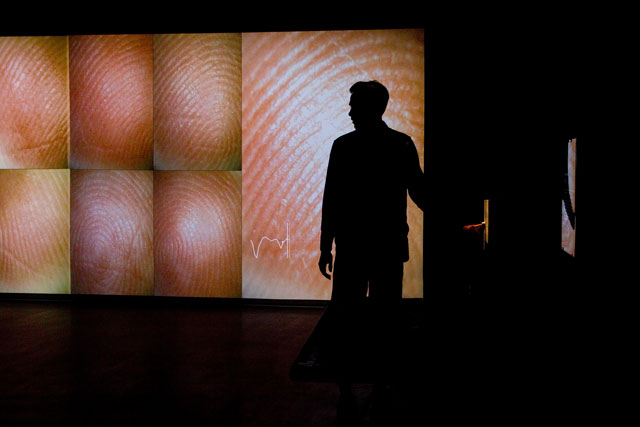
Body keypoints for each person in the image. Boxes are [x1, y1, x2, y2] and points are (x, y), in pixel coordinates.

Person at [317, 80, 424, 423]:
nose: (349, 111)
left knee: (347, 316)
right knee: (386, 317)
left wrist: (325, 246)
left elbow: (331, 200)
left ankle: (347, 385)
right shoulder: (401, 145)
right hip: (388, 247)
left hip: (352, 247)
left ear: (369, 107)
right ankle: (380, 385)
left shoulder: (343, 147)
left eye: (354, 105)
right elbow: (420, 193)